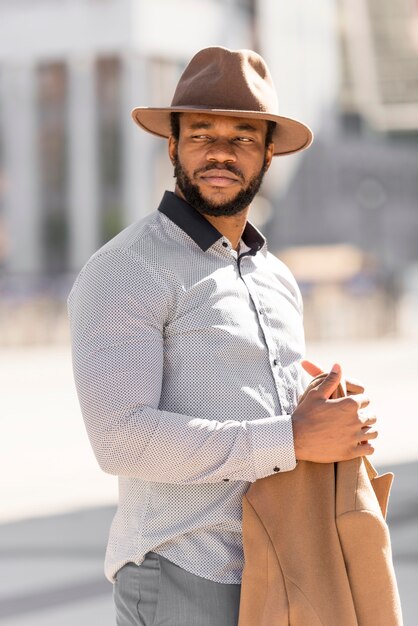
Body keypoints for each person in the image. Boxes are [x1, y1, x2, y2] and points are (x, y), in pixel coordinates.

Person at [67, 47, 378, 626]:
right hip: (186, 572)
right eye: (202, 133)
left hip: (284, 567)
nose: (220, 152)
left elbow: (276, 423)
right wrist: (291, 437)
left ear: (266, 155)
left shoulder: (276, 277)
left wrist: (322, 415)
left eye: (242, 137)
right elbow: (120, 440)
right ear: (172, 145)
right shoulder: (126, 268)